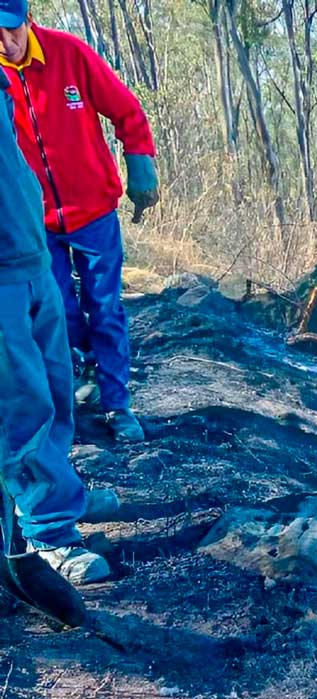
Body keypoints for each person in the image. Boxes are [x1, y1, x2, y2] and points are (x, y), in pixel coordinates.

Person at [0, 0, 159, 443]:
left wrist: (140, 159)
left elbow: (127, 110)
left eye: (12, 30)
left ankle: (117, 404)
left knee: (104, 307)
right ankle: (74, 383)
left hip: (94, 213)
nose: (6, 43)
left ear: (28, 20)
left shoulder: (69, 54)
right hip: (35, 224)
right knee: (56, 312)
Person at [0, 59, 109, 584]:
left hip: (31, 254)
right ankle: (47, 533)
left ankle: (62, 494)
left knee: (55, 389)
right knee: (20, 404)